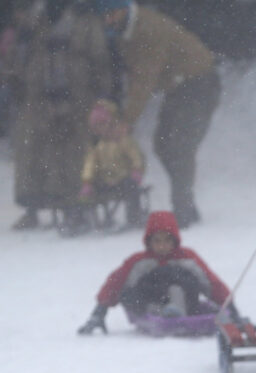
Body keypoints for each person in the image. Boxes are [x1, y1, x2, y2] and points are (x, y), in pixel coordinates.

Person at [95, 0, 219, 228]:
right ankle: (186, 202)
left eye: (112, 13)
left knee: (180, 146)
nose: (108, 20)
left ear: (124, 8)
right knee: (163, 145)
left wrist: (126, 121)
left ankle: (182, 210)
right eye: (103, 16)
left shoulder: (147, 29)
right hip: (178, 87)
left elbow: (144, 79)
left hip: (199, 83)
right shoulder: (124, 30)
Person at [9, 0, 112, 234]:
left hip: (78, 94)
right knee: (32, 151)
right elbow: (19, 56)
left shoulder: (85, 18)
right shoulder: (34, 17)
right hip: (36, 96)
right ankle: (32, 207)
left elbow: (99, 57)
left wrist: (103, 95)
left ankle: (74, 203)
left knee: (74, 150)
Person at [76, 210, 232, 334]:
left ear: (175, 241)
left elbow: (210, 282)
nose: (162, 246)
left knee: (178, 280)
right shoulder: (138, 261)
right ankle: (161, 312)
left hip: (183, 301)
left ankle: (174, 312)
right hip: (150, 301)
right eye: (157, 241)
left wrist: (230, 307)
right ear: (149, 241)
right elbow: (114, 284)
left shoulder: (187, 258)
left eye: (167, 241)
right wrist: (99, 312)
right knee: (134, 290)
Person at [79, 98, 145, 228]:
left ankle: (134, 216)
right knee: (86, 193)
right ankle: (79, 219)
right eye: (96, 126)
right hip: (106, 180)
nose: (100, 129)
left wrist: (137, 170)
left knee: (131, 189)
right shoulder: (98, 145)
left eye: (102, 124)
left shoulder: (123, 139)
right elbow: (90, 164)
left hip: (123, 178)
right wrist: (87, 181)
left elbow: (136, 156)